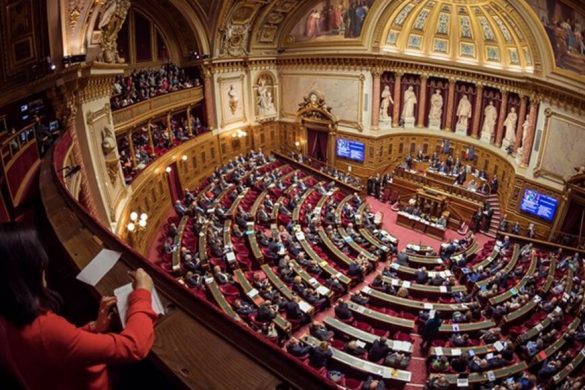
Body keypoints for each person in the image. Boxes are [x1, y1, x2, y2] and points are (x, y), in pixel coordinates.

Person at [0, 223, 157, 390]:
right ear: (29, 269)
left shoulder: (7, 315)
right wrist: (142, 293)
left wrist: (94, 327)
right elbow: (135, 347)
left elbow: (59, 349)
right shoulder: (45, 328)